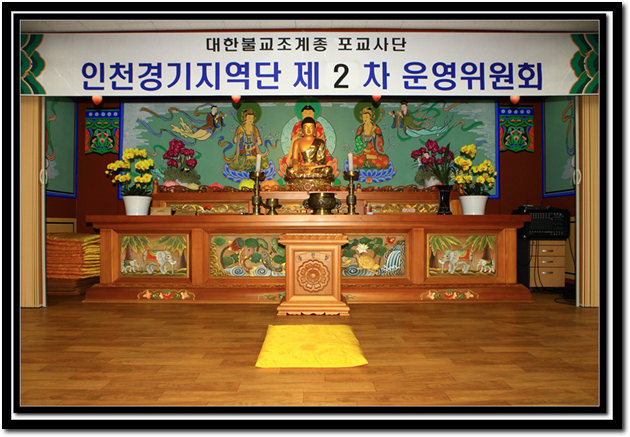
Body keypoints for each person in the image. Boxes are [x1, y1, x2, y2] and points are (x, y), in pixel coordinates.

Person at [285, 117, 334, 181]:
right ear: (302, 129)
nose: (308, 129)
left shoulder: (320, 142)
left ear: (314, 129)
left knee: (328, 169)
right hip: (303, 167)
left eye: (311, 127)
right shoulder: (297, 142)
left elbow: (322, 159)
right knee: (290, 170)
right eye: (306, 127)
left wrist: (313, 165)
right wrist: (295, 164)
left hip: (315, 167)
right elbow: (295, 158)